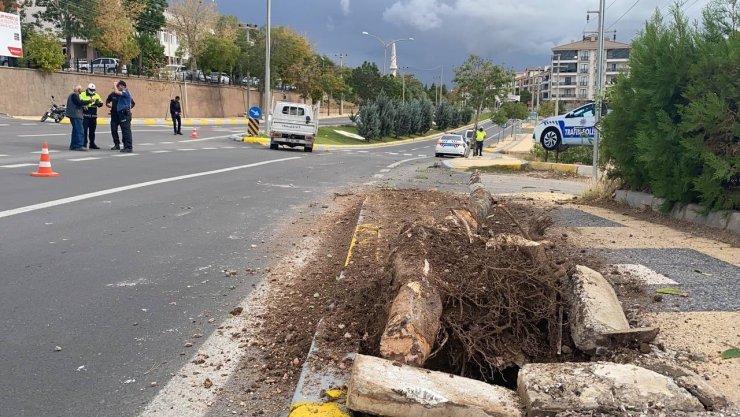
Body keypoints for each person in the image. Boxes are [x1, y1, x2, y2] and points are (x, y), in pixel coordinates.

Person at [66, 85, 93, 151]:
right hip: (76, 115)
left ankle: (73, 145)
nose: (82, 90)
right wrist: (89, 101)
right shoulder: (75, 95)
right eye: (80, 89)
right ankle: (78, 145)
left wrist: (83, 106)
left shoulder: (73, 95)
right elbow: (79, 102)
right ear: (78, 90)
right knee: (79, 131)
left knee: (75, 131)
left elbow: (78, 103)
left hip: (73, 115)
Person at [111, 80, 134, 153]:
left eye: (119, 86)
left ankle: (129, 147)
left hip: (125, 114)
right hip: (122, 114)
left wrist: (114, 84)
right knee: (124, 131)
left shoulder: (125, 92)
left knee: (126, 131)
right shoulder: (123, 93)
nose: (118, 87)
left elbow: (116, 92)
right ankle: (126, 146)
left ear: (123, 86)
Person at [80, 83, 103, 149]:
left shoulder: (96, 95)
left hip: (93, 115)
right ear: (88, 89)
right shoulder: (83, 94)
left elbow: (101, 103)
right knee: (84, 131)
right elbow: (80, 102)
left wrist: (98, 103)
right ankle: (84, 144)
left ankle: (92, 143)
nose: (92, 91)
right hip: (85, 115)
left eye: (93, 90)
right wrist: (84, 105)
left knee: (92, 131)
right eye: (91, 90)